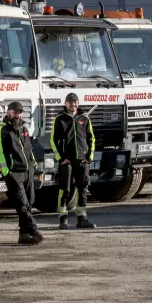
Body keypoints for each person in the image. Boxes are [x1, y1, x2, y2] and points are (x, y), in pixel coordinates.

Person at [0, 101, 44, 245]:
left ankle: (23, 235)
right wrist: (6, 171)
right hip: (13, 172)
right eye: (16, 112)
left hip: (27, 171)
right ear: (9, 112)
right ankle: (34, 230)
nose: (18, 115)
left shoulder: (24, 129)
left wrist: (33, 164)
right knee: (22, 203)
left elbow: (28, 149)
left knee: (30, 201)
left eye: (20, 112)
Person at [50, 93, 96, 229]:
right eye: (70, 102)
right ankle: (63, 219)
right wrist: (61, 158)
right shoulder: (59, 119)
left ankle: (82, 219)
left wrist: (89, 157)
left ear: (78, 103)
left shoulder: (85, 118)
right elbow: (53, 140)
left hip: (82, 161)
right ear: (65, 103)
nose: (73, 105)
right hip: (67, 162)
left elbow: (91, 138)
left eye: (75, 102)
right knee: (66, 190)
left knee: (83, 189)